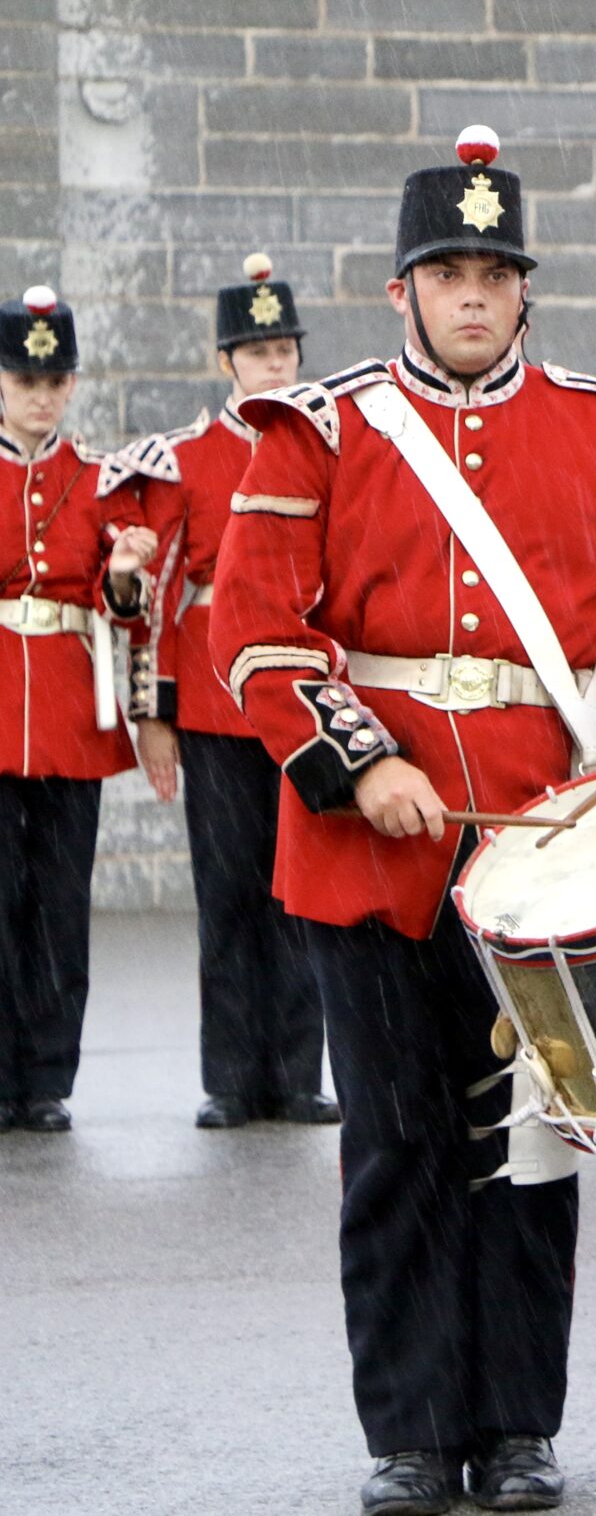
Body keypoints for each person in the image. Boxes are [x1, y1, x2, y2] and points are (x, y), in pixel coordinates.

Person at [211, 128, 596, 1516]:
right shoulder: (314, 431)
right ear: (403, 291)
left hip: (543, 845)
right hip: (366, 840)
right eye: (449, 271)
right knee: (395, 1138)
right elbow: (253, 634)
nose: (474, 295)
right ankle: (410, 1425)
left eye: (495, 271)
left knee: (531, 1140)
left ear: (525, 288)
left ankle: (514, 1422)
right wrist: (354, 758)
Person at [122, 255, 337, 1130]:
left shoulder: (323, 443)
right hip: (214, 702)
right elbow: (161, 591)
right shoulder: (188, 460)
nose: (275, 365)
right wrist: (156, 713)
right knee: (227, 891)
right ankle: (231, 1076)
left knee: (302, 889)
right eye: (256, 351)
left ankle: (295, 1072)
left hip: (302, 693)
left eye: (285, 348)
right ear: (227, 363)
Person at [0, 285, 158, 1136]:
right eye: (25, 378)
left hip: (67, 706)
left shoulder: (96, 478)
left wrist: (128, 571)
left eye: (54, 379)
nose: (40, 393)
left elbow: (123, 608)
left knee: (58, 904)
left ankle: (44, 1077)